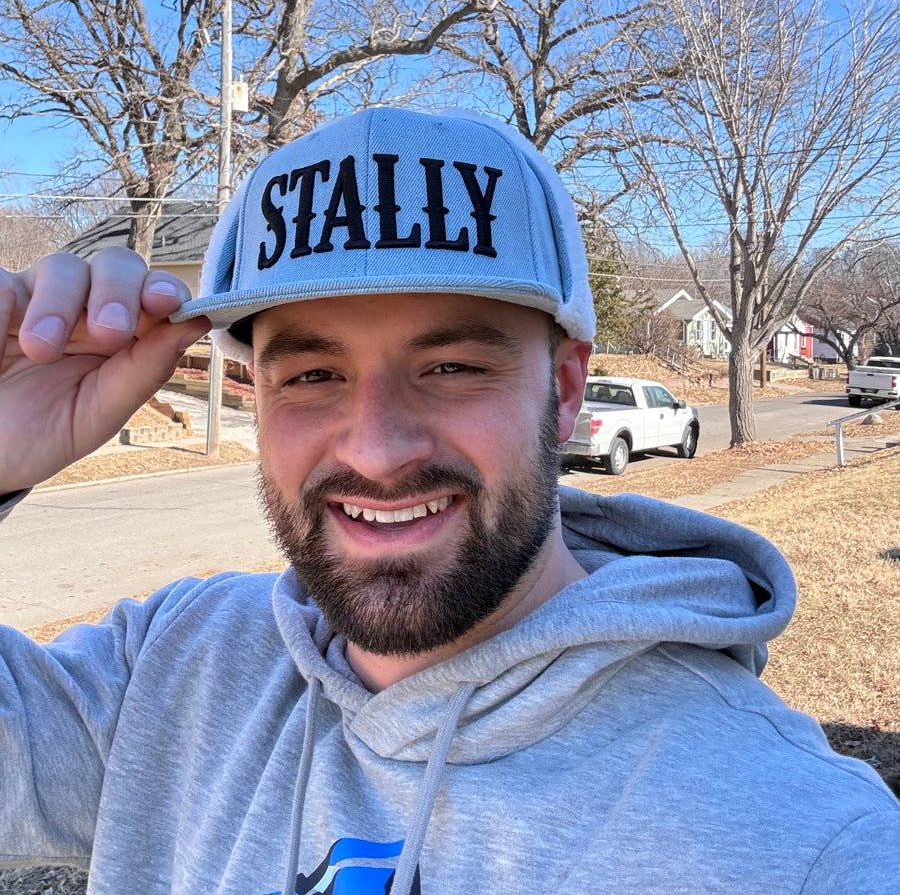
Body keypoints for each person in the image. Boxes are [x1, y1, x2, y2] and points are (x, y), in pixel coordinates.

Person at [1, 106, 897, 895]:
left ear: (567, 389)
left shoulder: (799, 844)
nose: (378, 447)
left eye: (453, 367)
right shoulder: (169, 671)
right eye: (313, 374)